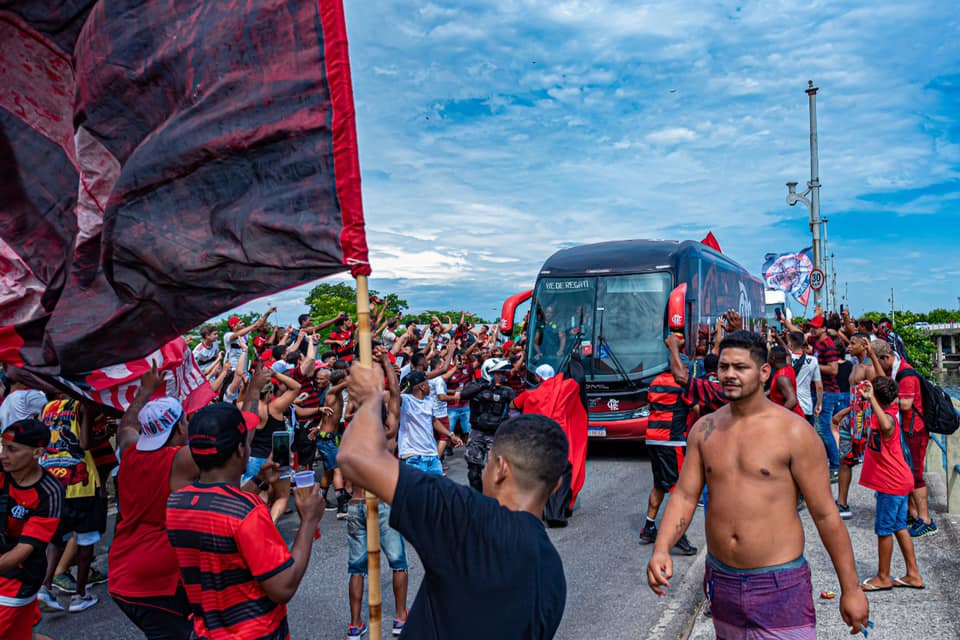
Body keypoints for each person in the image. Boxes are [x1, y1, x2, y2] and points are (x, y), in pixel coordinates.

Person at [647, 330, 869, 639]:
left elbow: (825, 515)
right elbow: (685, 496)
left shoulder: (794, 433)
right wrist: (661, 549)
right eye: (724, 367)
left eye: (740, 367)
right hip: (721, 580)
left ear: (764, 372)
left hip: (779, 583)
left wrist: (851, 588)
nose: (729, 375)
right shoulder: (705, 430)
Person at [338, 361, 567, 639]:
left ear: (501, 468)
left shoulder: (466, 517)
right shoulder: (553, 575)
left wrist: (370, 398)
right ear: (556, 486)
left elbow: (356, 458)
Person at [166, 402, 325, 640]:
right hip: (255, 632)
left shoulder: (176, 503)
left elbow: (220, 509)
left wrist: (260, 481)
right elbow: (283, 587)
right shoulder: (247, 511)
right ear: (241, 450)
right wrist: (309, 520)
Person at [108, 378, 197, 639]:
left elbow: (126, 425)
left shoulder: (130, 452)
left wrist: (146, 390)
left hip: (122, 573)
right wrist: (252, 395)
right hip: (155, 585)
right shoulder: (180, 460)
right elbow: (234, 448)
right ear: (180, 426)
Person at [345, 348, 409, 638]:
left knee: (356, 569)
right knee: (399, 563)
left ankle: (355, 624)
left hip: (357, 502)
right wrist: (385, 364)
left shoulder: (354, 432)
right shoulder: (388, 430)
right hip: (382, 503)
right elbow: (395, 394)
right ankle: (399, 616)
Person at [856, 378, 924, 592]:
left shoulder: (887, 417)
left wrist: (871, 397)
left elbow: (885, 426)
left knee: (884, 529)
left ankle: (883, 576)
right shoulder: (892, 406)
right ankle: (913, 574)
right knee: (899, 527)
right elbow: (887, 386)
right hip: (899, 479)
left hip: (891, 482)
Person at [37, 398, 104, 613]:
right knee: (86, 539)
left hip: (53, 481)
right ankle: (79, 595)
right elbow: (84, 444)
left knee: (57, 540)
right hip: (80, 483)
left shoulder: (47, 408)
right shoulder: (81, 405)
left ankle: (45, 586)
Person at [0, 419, 64, 640]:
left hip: (17, 576)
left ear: (37, 452)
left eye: (12, 449)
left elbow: (24, 550)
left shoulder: (49, 492)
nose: (3, 454)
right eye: (2, 447)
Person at [867, 340, 937, 537]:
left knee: (916, 475)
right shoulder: (895, 371)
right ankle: (914, 514)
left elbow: (906, 404)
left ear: (887, 358)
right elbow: (886, 381)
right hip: (906, 430)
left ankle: (926, 520)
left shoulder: (906, 374)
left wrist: (882, 396)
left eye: (881, 362)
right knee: (908, 472)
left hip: (915, 430)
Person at [637, 335, 697, 554]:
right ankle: (678, 535)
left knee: (659, 484)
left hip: (652, 437)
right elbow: (696, 408)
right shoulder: (681, 385)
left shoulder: (655, 382)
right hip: (671, 440)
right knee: (679, 490)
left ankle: (649, 527)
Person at [512, 363, 588, 528]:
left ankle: (543, 509)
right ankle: (558, 511)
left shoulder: (530, 393)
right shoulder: (566, 387)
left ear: (538, 377)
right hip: (560, 437)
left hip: (539, 440)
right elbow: (578, 378)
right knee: (564, 472)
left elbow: (514, 405)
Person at [831, 334, 877, 520]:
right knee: (845, 459)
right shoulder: (855, 366)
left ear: (864, 345)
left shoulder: (869, 368)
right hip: (852, 418)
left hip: (865, 421)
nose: (849, 346)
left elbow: (877, 395)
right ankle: (842, 502)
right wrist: (846, 413)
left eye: (853, 343)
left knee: (876, 461)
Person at [459, 358, 516, 491]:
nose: (500, 376)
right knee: (473, 472)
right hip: (477, 433)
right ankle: (477, 499)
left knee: (498, 470)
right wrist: (486, 385)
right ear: (488, 373)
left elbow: (518, 406)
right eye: (497, 373)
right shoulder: (476, 387)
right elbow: (464, 395)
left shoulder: (506, 391)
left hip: (496, 434)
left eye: (501, 373)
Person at [397, 371, 462, 477]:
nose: (430, 386)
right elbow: (393, 396)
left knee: (436, 491)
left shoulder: (429, 400)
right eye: (427, 384)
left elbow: (434, 420)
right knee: (417, 492)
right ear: (422, 387)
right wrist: (403, 386)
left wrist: (450, 435)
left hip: (432, 455)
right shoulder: (405, 401)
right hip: (413, 455)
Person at [811, 315, 843, 480]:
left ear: (824, 329)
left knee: (824, 429)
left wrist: (813, 365)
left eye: (816, 327)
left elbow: (834, 369)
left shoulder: (828, 345)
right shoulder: (818, 343)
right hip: (823, 391)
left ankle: (836, 466)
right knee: (821, 429)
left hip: (828, 392)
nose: (813, 329)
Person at [787, 331, 822, 426]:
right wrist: (819, 404)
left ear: (790, 343)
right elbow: (819, 386)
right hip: (806, 405)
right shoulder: (813, 360)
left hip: (788, 404)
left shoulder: (785, 359)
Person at [767, 346, 804, 416]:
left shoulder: (781, 378)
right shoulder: (789, 367)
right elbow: (788, 353)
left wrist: (778, 416)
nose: (767, 359)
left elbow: (793, 401)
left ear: (773, 358)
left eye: (768, 356)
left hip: (792, 419)